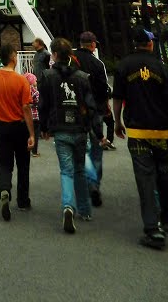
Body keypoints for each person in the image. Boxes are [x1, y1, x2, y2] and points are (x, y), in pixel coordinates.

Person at [112, 27, 168, 250]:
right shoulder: (160, 67)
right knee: (164, 173)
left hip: (137, 133)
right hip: (162, 132)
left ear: (135, 44)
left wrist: (117, 121)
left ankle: (153, 230)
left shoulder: (124, 66)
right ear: (150, 43)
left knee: (145, 179)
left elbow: (117, 98)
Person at [38, 37, 94, 233]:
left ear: (53, 54)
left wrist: (43, 127)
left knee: (66, 171)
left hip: (60, 128)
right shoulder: (83, 77)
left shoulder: (47, 76)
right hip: (79, 128)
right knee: (80, 169)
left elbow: (43, 105)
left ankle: (68, 206)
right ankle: (85, 209)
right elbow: (91, 105)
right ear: (71, 54)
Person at [0, 43, 34, 220]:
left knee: (4, 162)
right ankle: (22, 200)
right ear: (13, 57)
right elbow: (26, 107)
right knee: (23, 163)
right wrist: (32, 133)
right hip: (19, 126)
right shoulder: (21, 80)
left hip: (1, 125)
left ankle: (4, 189)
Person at [74, 31, 111, 205]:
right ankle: (94, 183)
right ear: (93, 45)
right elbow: (104, 88)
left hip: (74, 111)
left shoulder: (71, 60)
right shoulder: (97, 64)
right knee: (96, 149)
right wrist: (106, 107)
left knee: (80, 150)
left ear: (80, 43)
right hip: (95, 110)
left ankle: (83, 182)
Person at [24, 72, 41, 156]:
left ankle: (26, 148)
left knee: (27, 133)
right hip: (34, 116)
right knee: (35, 134)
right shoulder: (35, 91)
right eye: (35, 80)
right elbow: (38, 101)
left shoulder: (24, 89)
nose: (36, 82)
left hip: (25, 116)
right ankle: (34, 151)